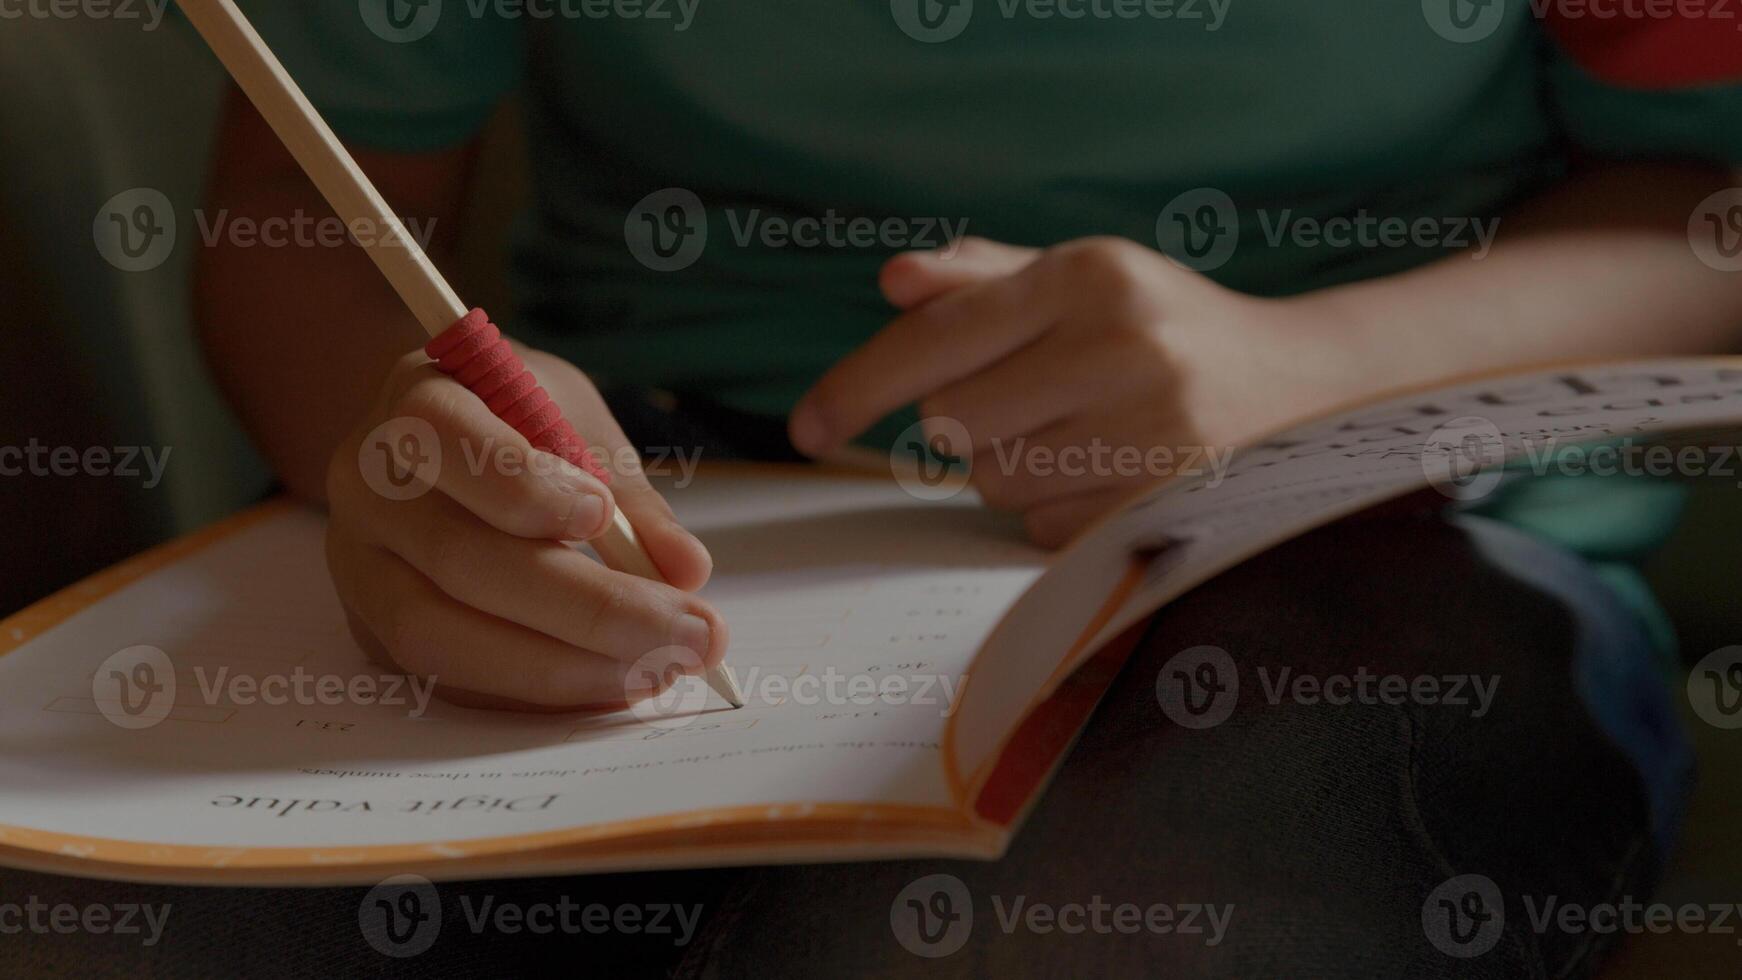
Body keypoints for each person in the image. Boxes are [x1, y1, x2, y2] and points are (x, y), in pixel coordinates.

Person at [87, 3, 1734, 975]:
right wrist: (418, 462)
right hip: (650, 502)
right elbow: (313, 231)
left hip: (1384, 528)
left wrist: (1309, 370)